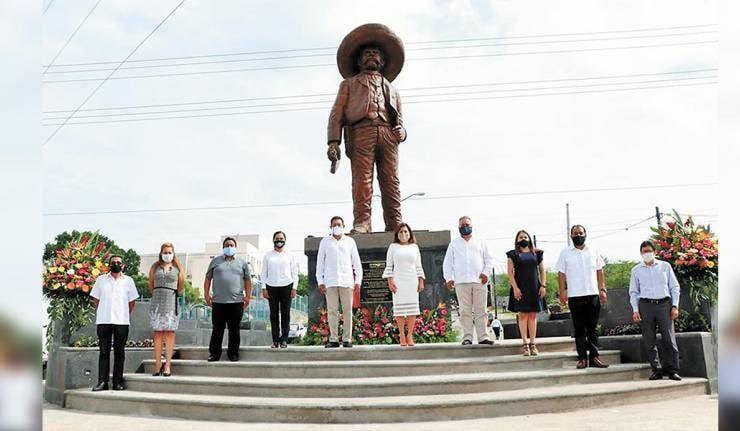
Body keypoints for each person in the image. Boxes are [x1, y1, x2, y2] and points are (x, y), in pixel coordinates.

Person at [327, 23, 408, 234]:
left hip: (388, 135)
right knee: (362, 181)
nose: (372, 55)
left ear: (383, 61)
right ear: (358, 60)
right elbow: (337, 113)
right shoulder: (349, 84)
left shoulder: (392, 89)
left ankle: (395, 222)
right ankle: (362, 222)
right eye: (367, 53)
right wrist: (333, 141)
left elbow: (400, 120)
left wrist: (402, 132)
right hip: (361, 132)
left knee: (391, 181)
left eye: (376, 53)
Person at [556, 225, 609, 369]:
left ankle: (594, 357)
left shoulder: (593, 251)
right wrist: (562, 291)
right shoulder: (565, 253)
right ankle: (582, 359)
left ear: (586, 234)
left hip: (592, 294)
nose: (578, 235)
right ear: (571, 236)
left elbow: (600, 271)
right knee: (579, 328)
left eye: (580, 233)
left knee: (593, 328)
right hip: (575, 295)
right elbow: (561, 273)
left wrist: (602, 289)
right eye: (575, 233)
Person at [629, 240, 682, 381]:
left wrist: (675, 306)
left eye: (649, 251)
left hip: (664, 305)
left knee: (669, 339)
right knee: (649, 340)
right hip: (646, 305)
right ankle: (656, 370)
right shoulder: (636, 270)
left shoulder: (665, 266)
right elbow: (633, 292)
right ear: (641, 253)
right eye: (644, 251)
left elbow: (674, 287)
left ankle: (672, 370)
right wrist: (635, 310)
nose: (647, 253)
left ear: (655, 252)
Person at [90, 255, 139, 391]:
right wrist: (102, 311)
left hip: (121, 322)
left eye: (118, 262)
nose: (116, 264)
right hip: (104, 320)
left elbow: (132, 302)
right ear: (109, 265)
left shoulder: (128, 281)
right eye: (113, 262)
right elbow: (96, 300)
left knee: (120, 353)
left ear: (123, 265)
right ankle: (102, 382)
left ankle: (117, 382)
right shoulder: (101, 280)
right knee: (104, 352)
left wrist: (124, 314)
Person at [443, 216, 495, 345]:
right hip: (461, 281)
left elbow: (489, 259)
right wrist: (449, 278)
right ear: (458, 227)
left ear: (471, 226)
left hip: (479, 281)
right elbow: (448, 262)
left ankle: (483, 337)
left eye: (467, 224)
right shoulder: (454, 244)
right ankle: (467, 337)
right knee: (464, 311)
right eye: (462, 225)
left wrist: (486, 273)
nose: (464, 227)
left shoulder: (481, 241)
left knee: (481, 310)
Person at [316, 216, 363, 348]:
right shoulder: (325, 242)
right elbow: (320, 263)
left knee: (347, 311)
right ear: (330, 227)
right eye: (334, 225)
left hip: (346, 281)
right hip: (330, 282)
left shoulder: (350, 242)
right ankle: (334, 339)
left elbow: (356, 262)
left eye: (339, 224)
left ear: (343, 226)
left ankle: (347, 339)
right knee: (332, 311)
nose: (336, 227)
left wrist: (358, 280)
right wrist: (320, 281)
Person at [204, 237, 252, 362]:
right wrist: (206, 295)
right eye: (226, 245)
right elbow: (208, 278)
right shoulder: (215, 261)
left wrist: (248, 296)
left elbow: (248, 280)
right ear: (223, 247)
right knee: (217, 329)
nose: (229, 247)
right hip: (218, 302)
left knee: (234, 330)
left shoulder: (242, 263)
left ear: (235, 247)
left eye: (231, 245)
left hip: (236, 302)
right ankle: (214, 354)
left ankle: (233, 354)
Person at [383, 223, 425, 346]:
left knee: (412, 310)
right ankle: (401, 334)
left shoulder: (414, 247)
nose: (403, 234)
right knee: (400, 310)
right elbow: (389, 265)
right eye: (401, 232)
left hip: (412, 281)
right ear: (397, 234)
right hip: (398, 281)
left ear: (410, 233)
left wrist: (421, 280)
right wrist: (390, 280)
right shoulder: (393, 247)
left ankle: (409, 335)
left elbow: (418, 265)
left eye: (406, 231)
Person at [506, 230, 546, 356]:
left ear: (529, 239)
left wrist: (543, 285)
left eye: (525, 237)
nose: (523, 239)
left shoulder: (537, 253)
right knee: (523, 315)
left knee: (533, 315)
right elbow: (510, 272)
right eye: (520, 237)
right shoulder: (513, 254)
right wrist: (515, 288)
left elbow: (542, 270)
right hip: (520, 288)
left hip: (534, 287)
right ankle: (525, 344)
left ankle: (533, 344)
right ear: (517, 240)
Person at [148, 242, 184, 377]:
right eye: (165, 252)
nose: (167, 254)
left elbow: (180, 286)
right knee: (158, 333)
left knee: (169, 333)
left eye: (170, 252)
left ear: (173, 254)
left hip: (171, 301)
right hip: (157, 301)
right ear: (161, 253)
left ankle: (167, 365)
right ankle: (158, 365)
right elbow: (150, 284)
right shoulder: (155, 267)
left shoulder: (178, 267)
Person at [261, 231, 299, 349]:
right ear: (273, 240)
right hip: (271, 287)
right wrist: (264, 288)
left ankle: (284, 340)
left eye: (281, 238)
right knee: (273, 315)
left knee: (285, 314)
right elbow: (263, 273)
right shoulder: (268, 255)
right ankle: (275, 340)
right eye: (277, 238)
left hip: (287, 286)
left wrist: (294, 288)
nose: (279, 240)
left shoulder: (290, 255)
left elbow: (295, 273)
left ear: (285, 240)